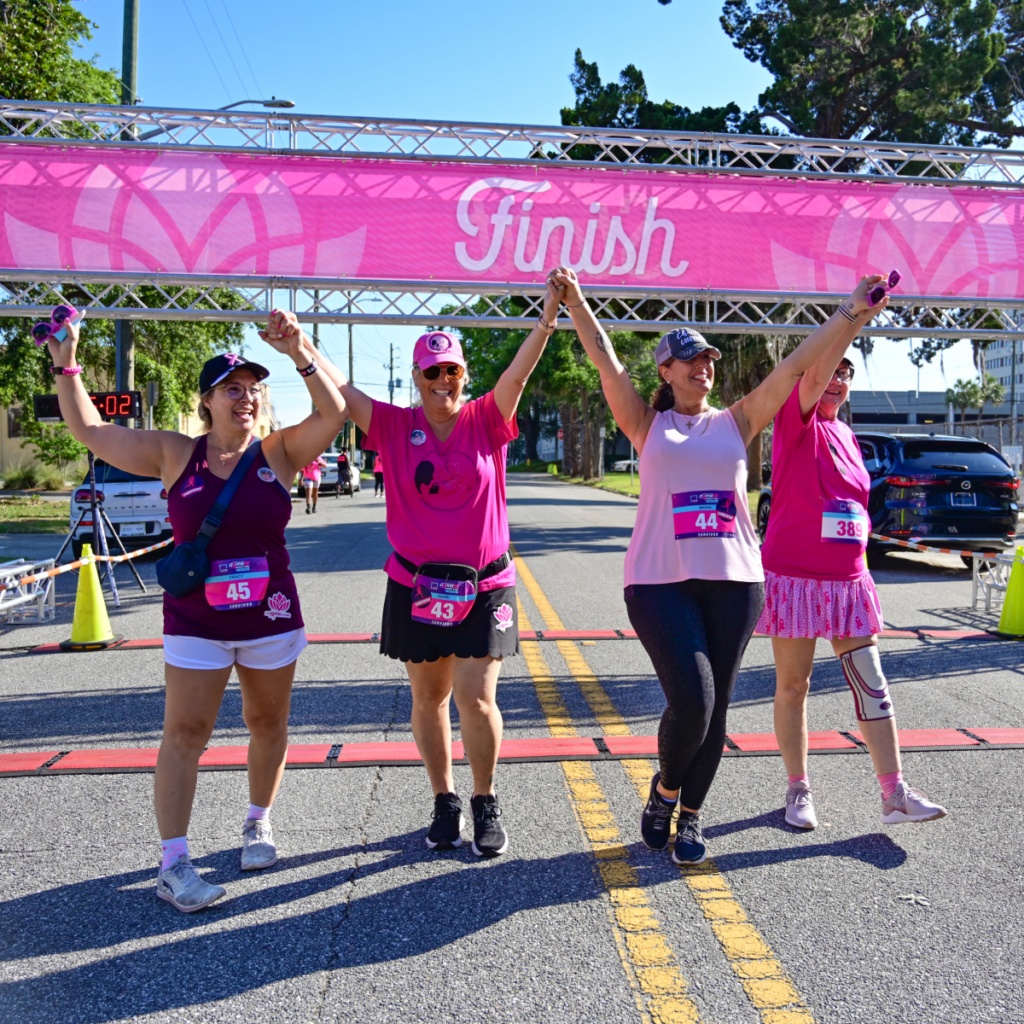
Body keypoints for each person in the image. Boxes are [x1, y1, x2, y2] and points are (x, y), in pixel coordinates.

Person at [556, 266, 890, 865]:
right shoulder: (646, 423)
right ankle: (665, 792)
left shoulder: (736, 420)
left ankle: (690, 816)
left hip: (736, 583)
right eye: (689, 361)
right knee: (694, 699)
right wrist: (578, 303)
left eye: (707, 360)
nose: (702, 368)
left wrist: (850, 311)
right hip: (659, 583)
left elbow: (794, 369)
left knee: (717, 707)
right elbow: (606, 360)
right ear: (665, 371)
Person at [48, 319, 347, 913]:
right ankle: (173, 863)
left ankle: (257, 823)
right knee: (185, 734)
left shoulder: (279, 450)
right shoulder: (173, 452)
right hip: (196, 623)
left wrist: (297, 352)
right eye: (231, 388)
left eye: (253, 387)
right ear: (206, 401)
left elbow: (334, 414)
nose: (246, 397)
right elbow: (87, 428)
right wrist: (67, 362)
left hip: (270, 618)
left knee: (267, 724)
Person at [263, 275, 563, 856]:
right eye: (432, 372)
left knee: (477, 697)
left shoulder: (486, 419)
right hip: (417, 585)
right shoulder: (396, 428)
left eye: (452, 370)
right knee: (428, 697)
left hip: (486, 583)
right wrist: (299, 346)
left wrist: (548, 315)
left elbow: (520, 374)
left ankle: (485, 800)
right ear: (417, 380)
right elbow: (345, 392)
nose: (443, 380)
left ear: (464, 376)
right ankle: (444, 800)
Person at [759, 355, 947, 830]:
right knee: (794, 685)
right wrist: (856, 313)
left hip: (848, 582)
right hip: (795, 577)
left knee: (871, 681)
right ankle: (798, 788)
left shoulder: (846, 434)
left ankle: (895, 794)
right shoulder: (793, 420)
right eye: (828, 371)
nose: (836, 381)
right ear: (807, 375)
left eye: (846, 373)